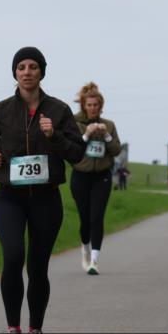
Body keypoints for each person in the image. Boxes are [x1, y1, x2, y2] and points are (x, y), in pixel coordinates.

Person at [0, 47, 84, 334]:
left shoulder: (59, 110)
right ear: (15, 73)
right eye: (21, 67)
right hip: (9, 196)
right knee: (13, 257)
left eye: (33, 66)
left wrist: (55, 138)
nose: (27, 71)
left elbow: (77, 154)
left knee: (38, 266)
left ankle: (35, 332)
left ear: (42, 72)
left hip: (46, 198)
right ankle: (13, 332)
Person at [69, 82, 122, 275]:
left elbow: (116, 150)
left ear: (101, 106)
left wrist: (106, 136)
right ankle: (85, 248)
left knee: (97, 217)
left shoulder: (108, 125)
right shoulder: (74, 123)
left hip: (102, 176)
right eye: (89, 105)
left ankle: (94, 261)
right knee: (85, 218)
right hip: (80, 176)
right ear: (83, 105)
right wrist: (87, 135)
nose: (92, 108)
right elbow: (72, 149)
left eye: (96, 105)